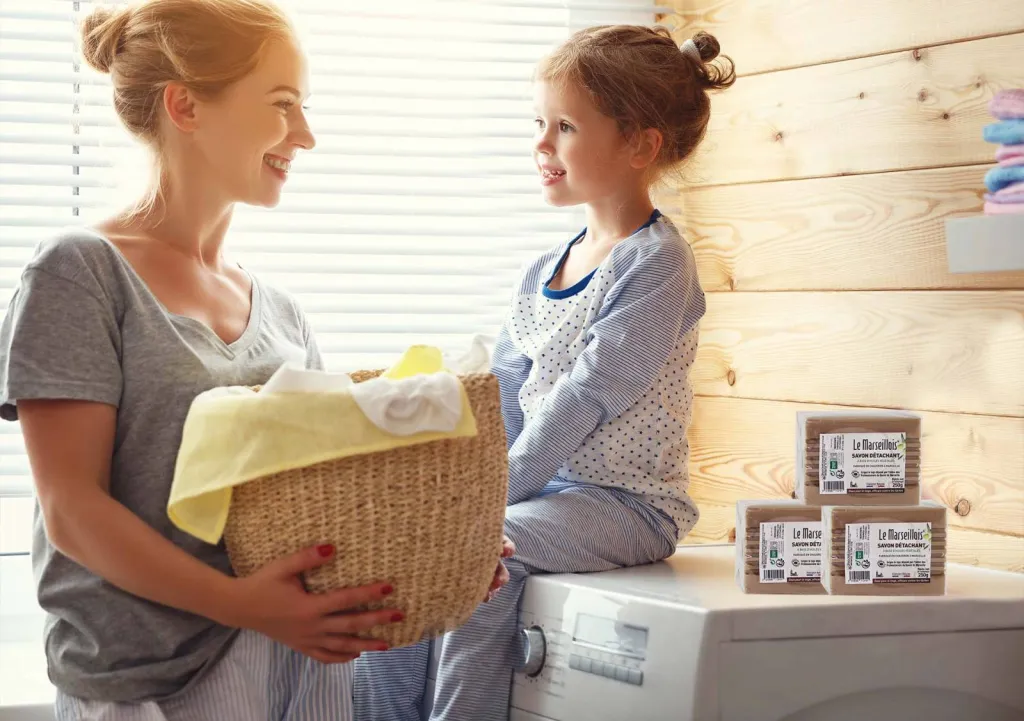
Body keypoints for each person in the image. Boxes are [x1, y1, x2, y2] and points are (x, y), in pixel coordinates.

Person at [0, 1, 510, 719]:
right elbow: (72, 510)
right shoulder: (80, 271)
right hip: (145, 684)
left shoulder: (281, 313)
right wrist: (242, 603)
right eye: (281, 104)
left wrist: (443, 544)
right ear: (186, 106)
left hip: (292, 667)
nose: (305, 134)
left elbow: (324, 491)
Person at [354, 25, 736, 721]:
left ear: (639, 145)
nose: (541, 144)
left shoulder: (656, 263)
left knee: (478, 550)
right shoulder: (542, 269)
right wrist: (461, 492)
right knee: (409, 546)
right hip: (539, 492)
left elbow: (587, 396)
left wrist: (488, 503)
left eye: (564, 127)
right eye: (539, 123)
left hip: (626, 504)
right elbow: (502, 392)